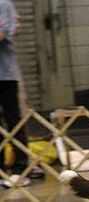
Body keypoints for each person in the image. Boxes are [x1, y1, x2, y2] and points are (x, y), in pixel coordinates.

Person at [0, 0, 29, 188]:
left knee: (13, 122)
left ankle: (21, 168)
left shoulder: (4, 5)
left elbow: (2, 35)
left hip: (5, 75)